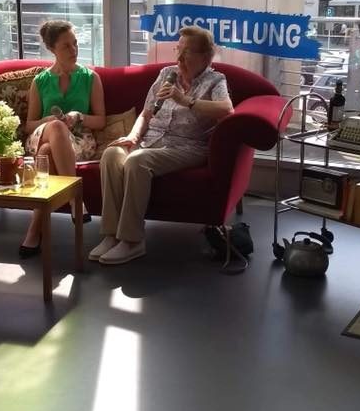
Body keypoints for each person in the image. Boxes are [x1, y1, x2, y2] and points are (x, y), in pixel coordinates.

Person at [89, 26, 233, 265]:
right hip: (150, 140)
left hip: (187, 146)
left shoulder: (215, 80)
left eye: (187, 52)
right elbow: (146, 114)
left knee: (137, 161)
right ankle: (111, 235)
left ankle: (133, 241)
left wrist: (186, 100)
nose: (179, 58)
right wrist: (133, 137)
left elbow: (227, 110)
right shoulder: (167, 73)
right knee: (112, 154)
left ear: (206, 57)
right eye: (178, 49)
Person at [19, 20, 106, 257]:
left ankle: (34, 232)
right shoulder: (40, 81)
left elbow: (100, 120)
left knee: (46, 153)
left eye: (75, 43)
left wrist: (79, 116)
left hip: (77, 141)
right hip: (42, 134)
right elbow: (29, 125)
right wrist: (49, 121)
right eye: (66, 46)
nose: (74, 49)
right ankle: (75, 199)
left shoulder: (91, 78)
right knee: (55, 128)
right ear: (52, 49)